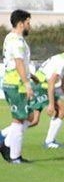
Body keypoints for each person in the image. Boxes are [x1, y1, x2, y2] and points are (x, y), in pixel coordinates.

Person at [33, 41, 64, 149]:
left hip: (39, 85)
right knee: (62, 109)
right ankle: (49, 141)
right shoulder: (62, 62)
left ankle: (4, 134)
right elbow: (51, 82)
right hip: (41, 85)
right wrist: (51, 104)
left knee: (33, 121)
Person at [1, 9, 35, 164]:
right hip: (17, 85)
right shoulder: (18, 41)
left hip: (12, 83)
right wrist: (27, 83)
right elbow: (19, 62)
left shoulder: (9, 37)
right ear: (21, 24)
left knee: (29, 117)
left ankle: (5, 142)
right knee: (19, 120)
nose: (30, 26)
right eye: (28, 23)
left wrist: (31, 76)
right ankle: (15, 156)